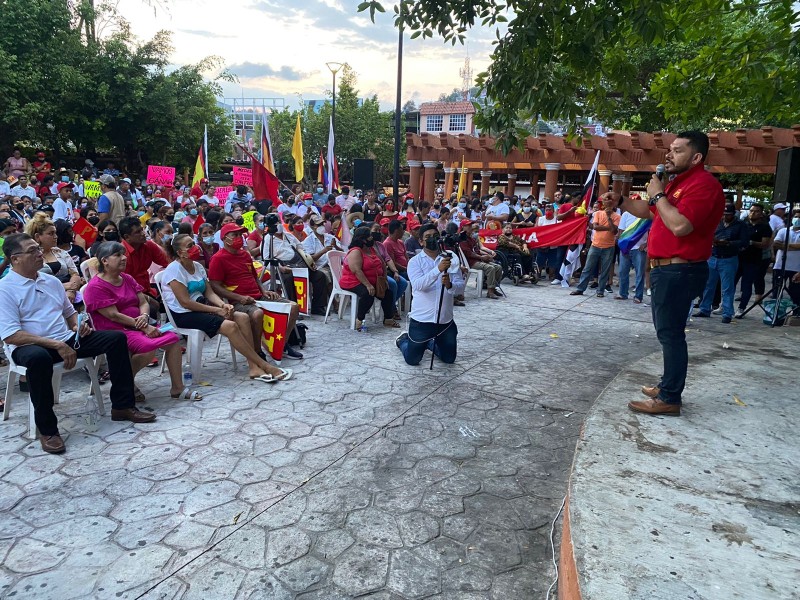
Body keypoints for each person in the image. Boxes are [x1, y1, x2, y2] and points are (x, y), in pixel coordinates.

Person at [0, 233, 156, 454]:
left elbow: (70, 313)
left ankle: (122, 405)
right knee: (38, 358)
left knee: (116, 339)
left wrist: (78, 326)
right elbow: (11, 335)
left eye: (38, 248)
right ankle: (48, 430)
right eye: (32, 250)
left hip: (65, 339)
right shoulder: (5, 288)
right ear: (15, 259)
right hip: (29, 346)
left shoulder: (51, 281)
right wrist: (57, 345)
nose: (39, 253)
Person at [614, 130, 724, 416]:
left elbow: (680, 226)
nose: (669, 154)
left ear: (696, 157)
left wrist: (658, 194)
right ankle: (667, 386)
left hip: (680, 270)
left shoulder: (703, 185)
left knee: (671, 334)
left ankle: (670, 398)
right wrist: (620, 201)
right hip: (667, 270)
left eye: (677, 150)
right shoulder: (677, 185)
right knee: (668, 333)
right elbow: (652, 212)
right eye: (670, 149)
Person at [161, 234, 292, 382]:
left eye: (194, 243)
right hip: (184, 314)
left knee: (242, 317)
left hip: (202, 308)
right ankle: (265, 366)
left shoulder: (197, 266)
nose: (195, 248)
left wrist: (223, 305)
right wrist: (216, 310)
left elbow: (209, 291)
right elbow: (185, 302)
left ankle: (253, 367)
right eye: (189, 246)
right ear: (180, 253)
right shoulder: (174, 270)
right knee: (230, 326)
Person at [84, 242, 190, 401]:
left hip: (139, 324)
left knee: (173, 341)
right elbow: (113, 315)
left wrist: (144, 316)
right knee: (147, 347)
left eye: (123, 254)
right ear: (104, 261)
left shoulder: (126, 278)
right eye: (118, 255)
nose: (124, 258)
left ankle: (177, 387)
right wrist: (143, 325)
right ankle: (125, 382)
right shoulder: (96, 286)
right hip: (116, 329)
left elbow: (143, 302)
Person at [208, 223, 302, 361]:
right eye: (235, 235)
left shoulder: (245, 255)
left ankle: (281, 345)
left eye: (240, 235)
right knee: (257, 314)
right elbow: (215, 286)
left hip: (258, 296)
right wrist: (239, 297)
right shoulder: (218, 258)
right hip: (239, 301)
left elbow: (253, 276)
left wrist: (264, 290)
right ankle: (257, 351)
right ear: (225, 238)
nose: (239, 238)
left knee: (293, 307)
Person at [396, 223, 466, 365]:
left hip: (445, 321)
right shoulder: (415, 262)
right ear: (421, 241)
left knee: (449, 359)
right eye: (427, 237)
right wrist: (437, 270)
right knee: (413, 360)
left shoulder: (450, 258)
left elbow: (461, 287)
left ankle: (429, 344)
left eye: (435, 236)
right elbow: (418, 285)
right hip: (422, 320)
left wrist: (450, 285)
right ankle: (403, 340)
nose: (432, 239)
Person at [694, 203, 750, 322]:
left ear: (733, 214)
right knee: (708, 285)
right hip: (713, 256)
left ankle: (727, 313)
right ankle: (705, 308)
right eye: (724, 214)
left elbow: (744, 242)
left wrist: (729, 243)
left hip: (728, 258)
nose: (725, 217)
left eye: (728, 215)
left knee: (727, 287)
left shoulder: (741, 225)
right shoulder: (717, 223)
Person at [338, 226, 398, 330]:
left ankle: (388, 319)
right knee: (368, 294)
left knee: (388, 293)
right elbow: (357, 270)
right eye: (369, 236)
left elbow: (382, 263)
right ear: (362, 239)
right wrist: (368, 285)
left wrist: (384, 279)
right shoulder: (356, 251)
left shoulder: (372, 249)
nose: (372, 238)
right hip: (353, 281)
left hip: (372, 280)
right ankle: (359, 320)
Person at [24, 213, 82, 304]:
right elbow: (30, 284)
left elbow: (75, 274)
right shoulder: (28, 257)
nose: (56, 237)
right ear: (37, 237)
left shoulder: (61, 252)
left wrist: (70, 292)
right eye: (51, 234)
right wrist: (62, 286)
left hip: (70, 298)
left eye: (55, 233)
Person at [570, 195, 621, 297]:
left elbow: (614, 231)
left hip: (609, 247)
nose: (608, 203)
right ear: (604, 204)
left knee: (605, 270)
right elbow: (595, 227)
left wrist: (609, 218)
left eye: (610, 201)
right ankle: (580, 288)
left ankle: (600, 291)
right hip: (595, 245)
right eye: (606, 201)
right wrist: (608, 227)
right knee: (587, 268)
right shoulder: (597, 213)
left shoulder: (617, 216)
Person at [118, 216, 168, 317]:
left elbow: (168, 263)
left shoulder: (148, 245)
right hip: (128, 295)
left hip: (147, 289)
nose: (143, 234)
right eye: (138, 232)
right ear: (127, 237)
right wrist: (150, 300)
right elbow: (125, 288)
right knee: (153, 310)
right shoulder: (121, 255)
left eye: (142, 230)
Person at [736, 204, 773, 317]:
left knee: (747, 284)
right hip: (739, 257)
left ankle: (742, 308)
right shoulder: (744, 224)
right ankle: (724, 305)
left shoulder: (765, 227)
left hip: (753, 260)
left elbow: (765, 244)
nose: (752, 213)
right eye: (751, 211)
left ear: (761, 213)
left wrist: (751, 242)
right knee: (731, 283)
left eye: (756, 211)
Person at [459, 221, 503, 299]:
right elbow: (469, 253)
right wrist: (482, 257)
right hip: (471, 262)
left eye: (470, 225)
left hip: (477, 259)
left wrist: (486, 255)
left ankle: (493, 288)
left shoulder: (472, 239)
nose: (470, 227)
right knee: (490, 268)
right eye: (468, 225)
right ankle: (490, 292)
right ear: (463, 227)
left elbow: (477, 250)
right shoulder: (462, 239)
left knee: (498, 267)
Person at [615, 211, 648, 303]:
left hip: (639, 248)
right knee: (622, 271)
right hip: (626, 247)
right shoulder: (626, 214)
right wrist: (622, 245)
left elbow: (651, 231)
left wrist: (646, 244)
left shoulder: (646, 215)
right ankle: (623, 293)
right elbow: (621, 230)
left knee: (640, 273)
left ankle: (638, 296)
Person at [771, 214, 800, 305]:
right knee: (777, 290)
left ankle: (795, 313)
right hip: (780, 265)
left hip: (796, 268)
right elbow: (776, 244)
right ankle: (775, 311)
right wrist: (795, 246)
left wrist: (785, 245)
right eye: (796, 216)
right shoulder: (784, 231)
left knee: (795, 292)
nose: (797, 219)